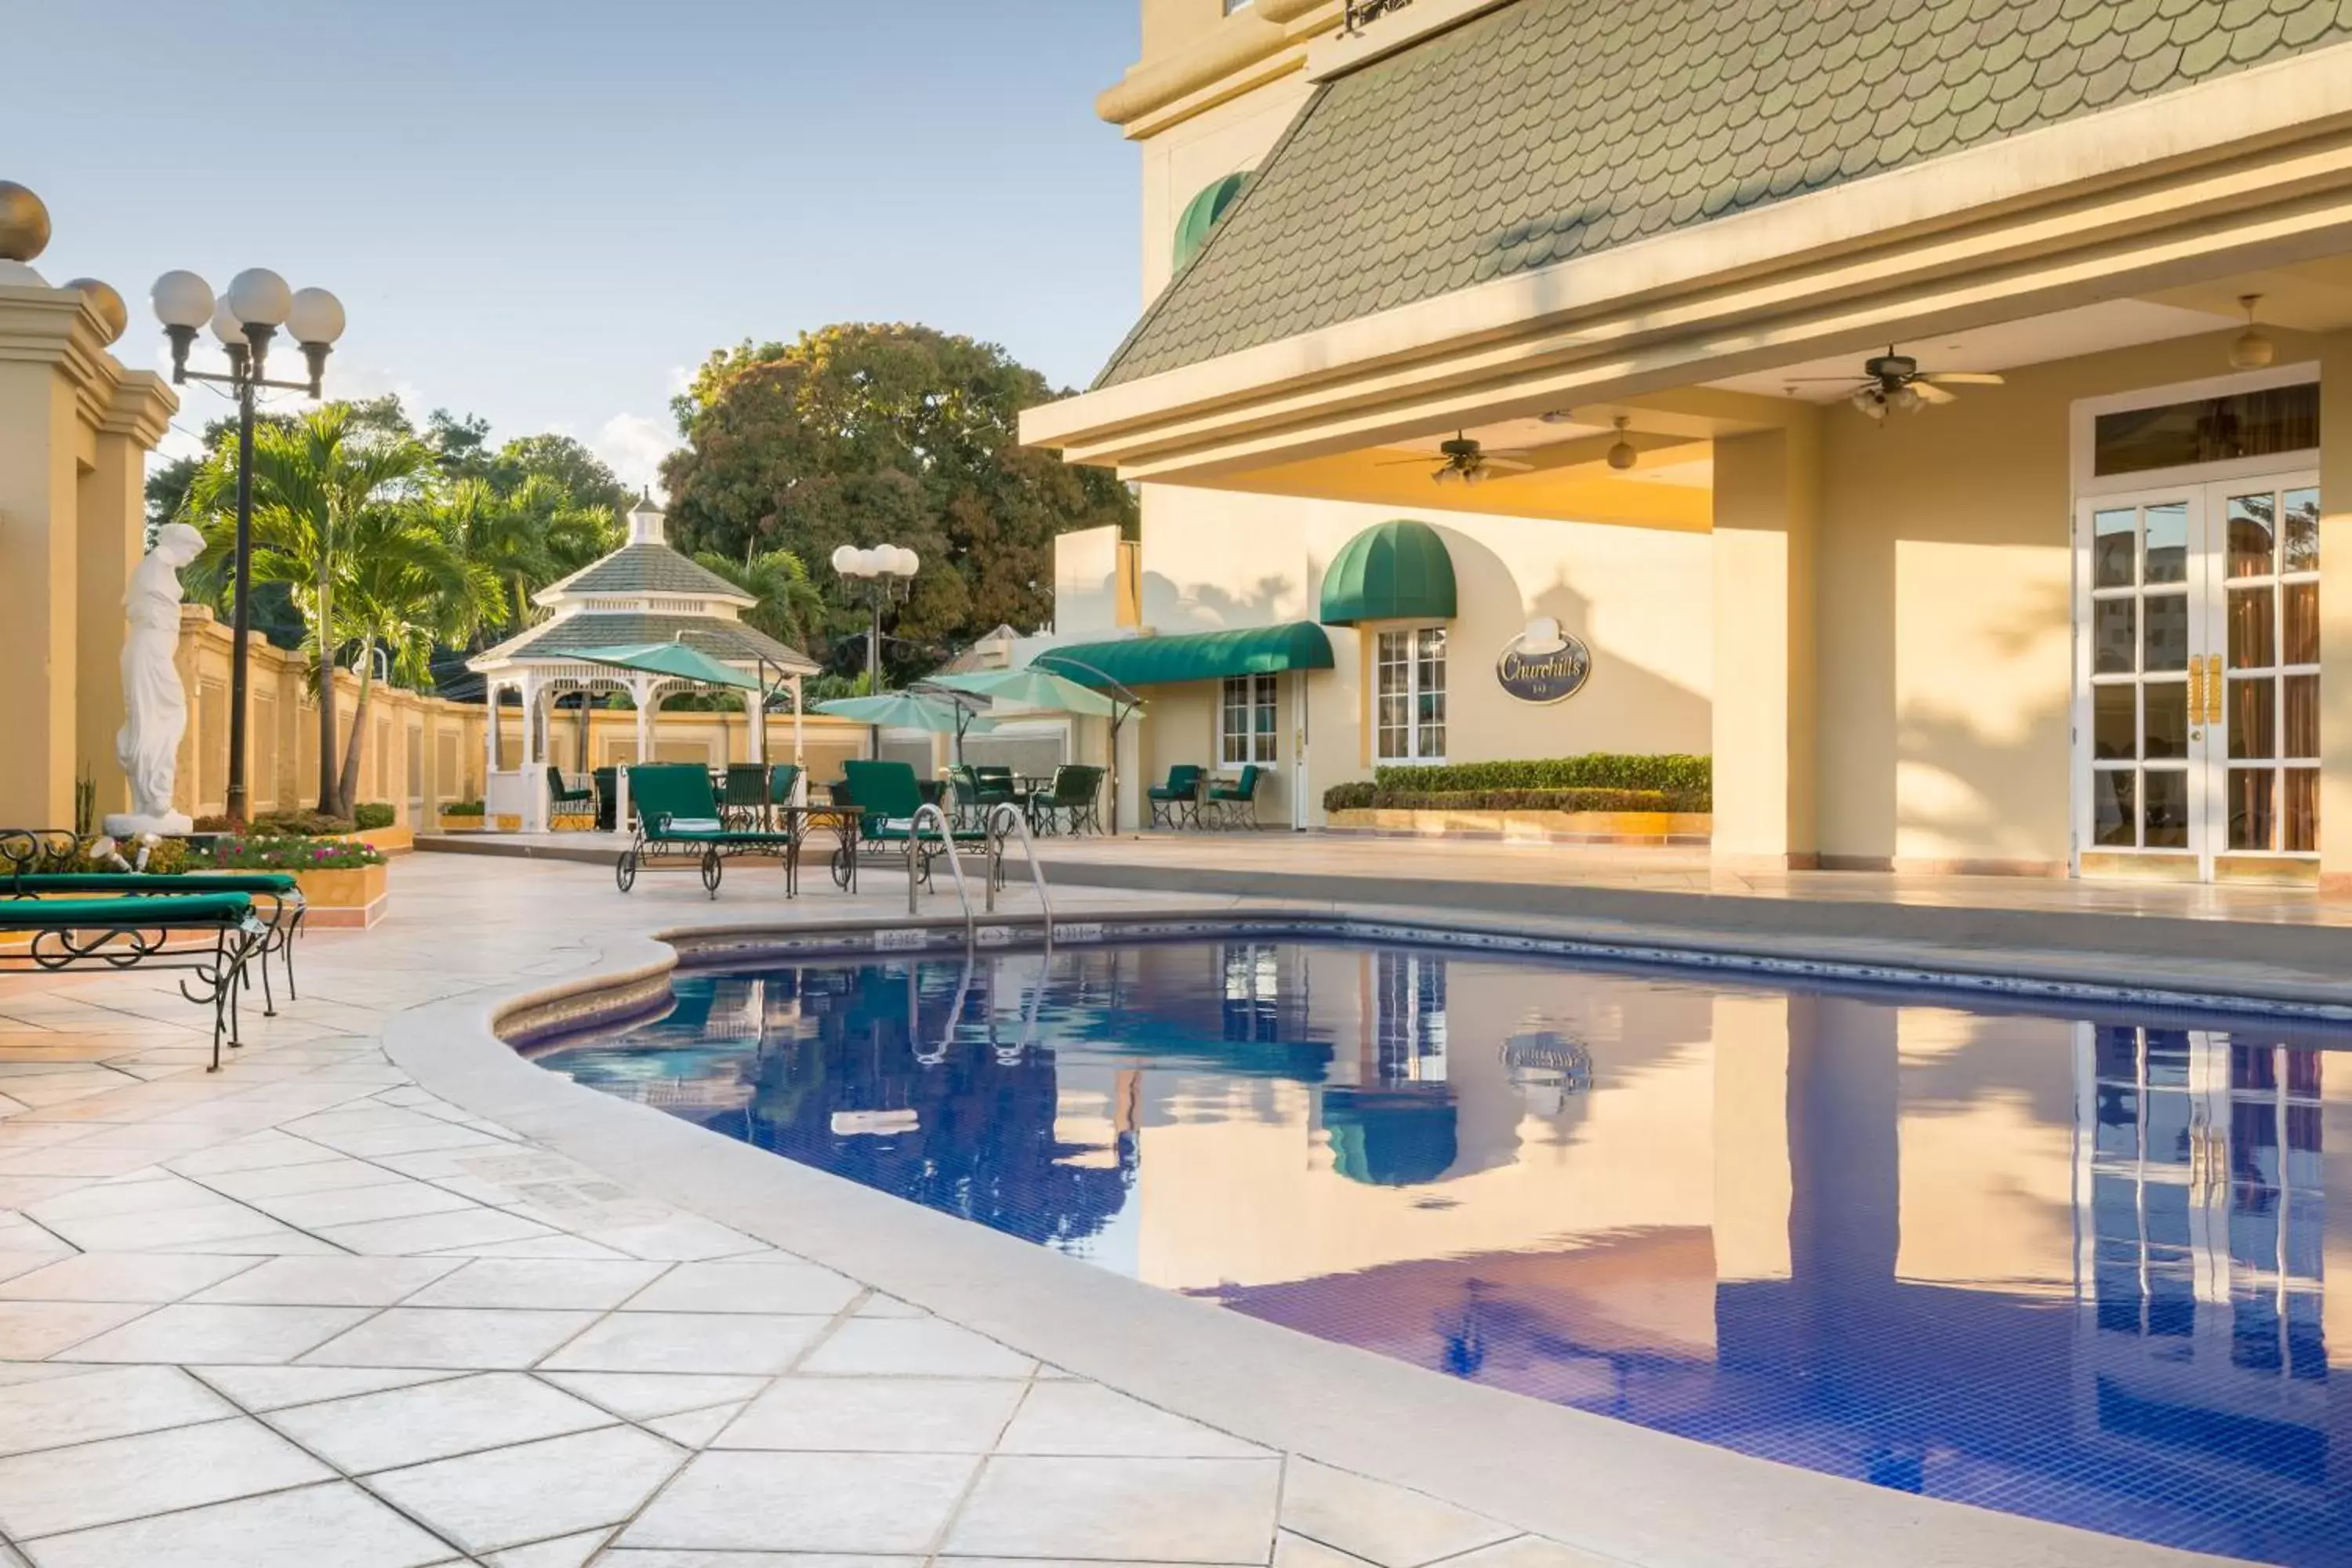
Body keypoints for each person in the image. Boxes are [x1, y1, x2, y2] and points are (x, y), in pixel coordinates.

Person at [105, 522, 205, 836]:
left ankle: (150, 800)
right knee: (159, 721)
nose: (191, 559)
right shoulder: (157, 565)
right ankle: (154, 797)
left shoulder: (157, 569)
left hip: (152, 654)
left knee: (155, 723)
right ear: (177, 543)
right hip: (150, 656)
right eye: (191, 551)